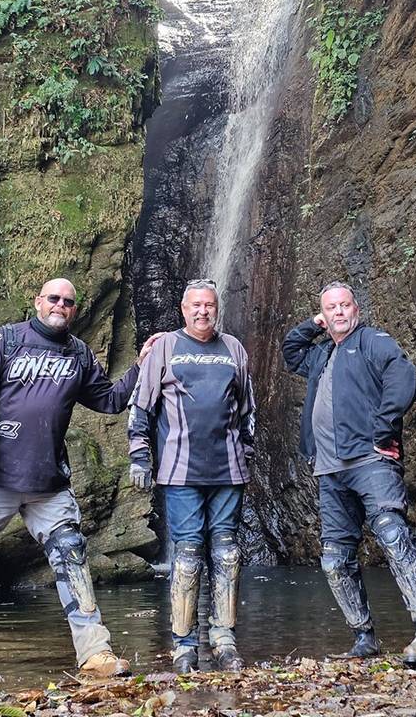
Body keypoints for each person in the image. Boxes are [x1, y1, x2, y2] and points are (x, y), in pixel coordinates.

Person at [0, 278, 141, 678]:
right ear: (38, 301)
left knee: (71, 550)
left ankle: (95, 652)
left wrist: (144, 365)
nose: (60, 305)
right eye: (53, 298)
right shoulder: (5, 339)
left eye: (68, 302)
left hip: (48, 481)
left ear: (74, 310)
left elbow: (108, 400)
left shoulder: (78, 354)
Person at [282, 282, 416, 668]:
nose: (339, 312)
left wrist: (384, 428)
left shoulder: (372, 341)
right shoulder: (321, 353)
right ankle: (363, 636)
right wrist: (314, 324)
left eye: (344, 305)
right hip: (328, 469)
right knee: (335, 558)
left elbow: (402, 375)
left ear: (356, 308)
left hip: (369, 461)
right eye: (331, 308)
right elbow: (290, 352)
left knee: (391, 532)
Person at [128, 279, 256, 674]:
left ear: (217, 308)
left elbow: (248, 410)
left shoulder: (234, 348)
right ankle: (184, 644)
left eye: (210, 305)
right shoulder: (166, 347)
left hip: (228, 471)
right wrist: (139, 457)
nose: (203, 311)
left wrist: (246, 454)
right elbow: (141, 406)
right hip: (180, 471)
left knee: (227, 552)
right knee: (186, 556)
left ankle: (224, 638)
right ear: (184, 310)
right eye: (196, 305)